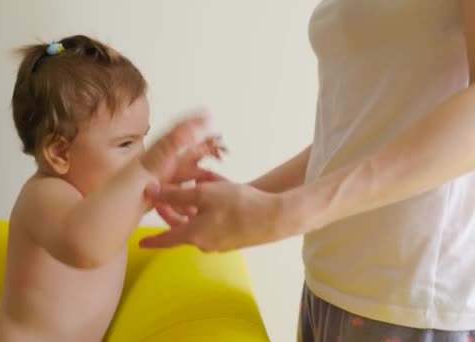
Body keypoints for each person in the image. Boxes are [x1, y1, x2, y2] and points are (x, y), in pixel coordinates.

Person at [141, 1, 475, 341]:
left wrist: (284, 213)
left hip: (415, 303)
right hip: (329, 285)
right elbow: (360, 134)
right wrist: (252, 198)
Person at [0, 35, 221, 342]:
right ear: (60, 153)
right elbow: (87, 246)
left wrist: (171, 173)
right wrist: (152, 164)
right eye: (126, 144)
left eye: (143, 139)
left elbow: (133, 199)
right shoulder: (45, 196)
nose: (141, 155)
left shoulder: (103, 198)